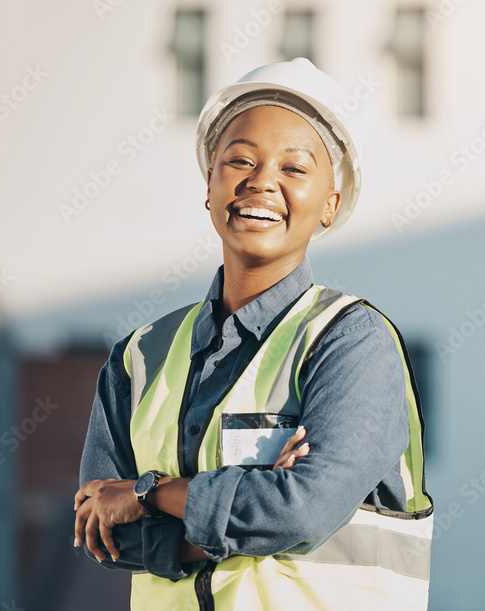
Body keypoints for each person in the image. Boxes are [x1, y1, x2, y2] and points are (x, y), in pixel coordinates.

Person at [73, 58, 434, 610]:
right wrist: (253, 502)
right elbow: (102, 529)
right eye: (239, 160)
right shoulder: (141, 355)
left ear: (330, 206)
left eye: (294, 169)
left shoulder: (351, 343)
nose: (261, 181)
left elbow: (303, 511)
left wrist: (150, 494)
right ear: (210, 188)